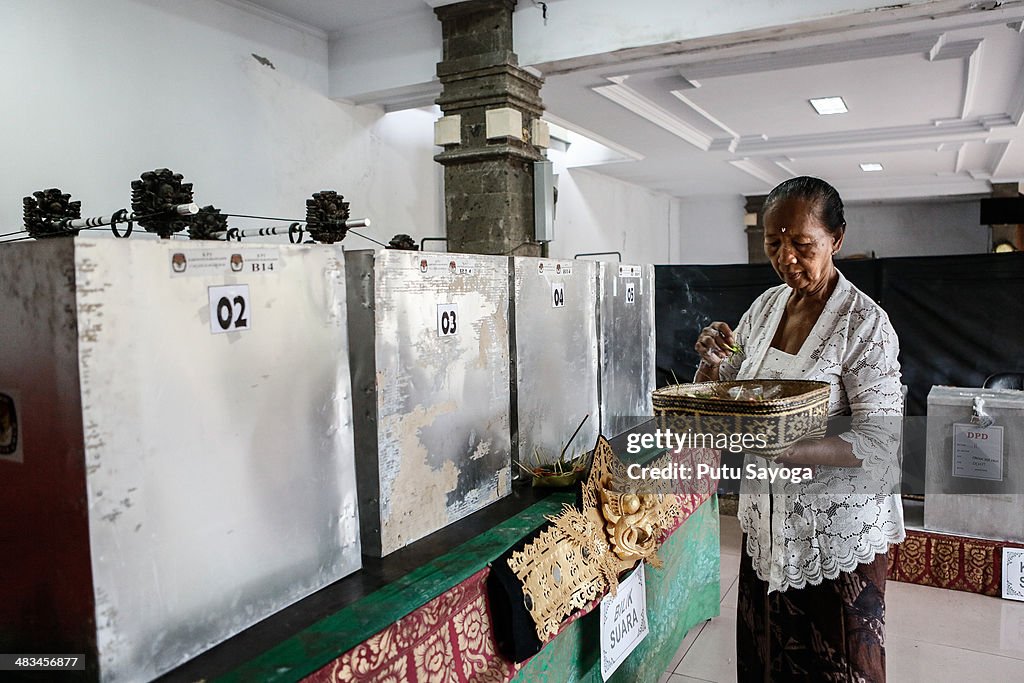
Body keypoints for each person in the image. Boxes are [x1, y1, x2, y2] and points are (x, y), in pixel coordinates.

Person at [693, 176, 904, 682]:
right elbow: (731, 383)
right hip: (768, 523)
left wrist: (786, 448)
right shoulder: (765, 309)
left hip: (835, 536)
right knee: (767, 662)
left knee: (833, 668)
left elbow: (881, 445)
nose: (786, 257)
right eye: (773, 243)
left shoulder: (864, 325)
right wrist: (711, 361)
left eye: (801, 244)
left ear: (837, 239)